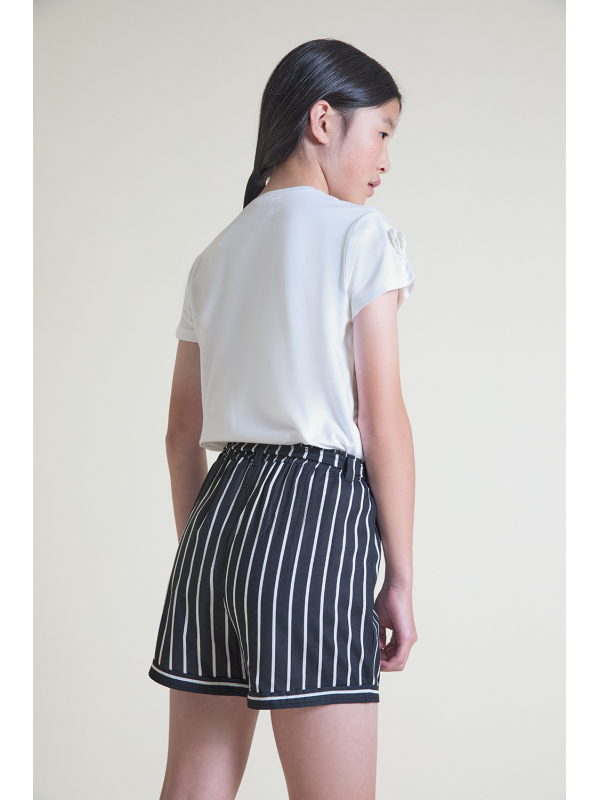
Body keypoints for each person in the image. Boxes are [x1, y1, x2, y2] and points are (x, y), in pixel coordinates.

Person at [149, 38, 418, 800]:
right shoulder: (362, 236)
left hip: (214, 524)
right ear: (323, 120)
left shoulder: (215, 255)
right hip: (316, 513)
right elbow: (382, 422)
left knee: (193, 787)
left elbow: (179, 435)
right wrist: (399, 579)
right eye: (382, 133)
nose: (385, 161)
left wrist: (213, 557)